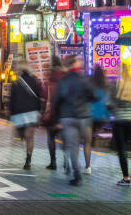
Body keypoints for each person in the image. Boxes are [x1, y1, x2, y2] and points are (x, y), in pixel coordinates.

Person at [53, 55, 95, 185]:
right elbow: (93, 95)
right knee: (86, 143)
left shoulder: (63, 81)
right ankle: (86, 167)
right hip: (83, 117)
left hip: (68, 117)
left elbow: (56, 101)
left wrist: (58, 119)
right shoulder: (84, 79)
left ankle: (77, 175)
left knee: (73, 147)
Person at [8, 59, 42, 170]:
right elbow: (38, 97)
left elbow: (12, 100)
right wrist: (39, 111)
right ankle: (28, 160)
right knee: (30, 138)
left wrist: (10, 114)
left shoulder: (16, 82)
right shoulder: (35, 80)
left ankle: (21, 135)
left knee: (21, 134)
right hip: (32, 112)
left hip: (19, 113)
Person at [41, 56, 66, 170]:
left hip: (51, 112)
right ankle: (66, 161)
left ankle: (53, 162)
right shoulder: (65, 77)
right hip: (64, 112)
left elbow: (44, 96)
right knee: (65, 138)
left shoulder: (49, 79)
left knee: (51, 138)